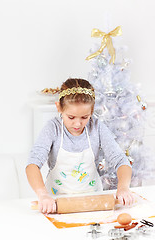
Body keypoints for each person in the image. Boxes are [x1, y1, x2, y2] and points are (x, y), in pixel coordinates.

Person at [26, 78, 135, 214]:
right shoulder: (52, 129)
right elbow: (32, 165)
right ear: (59, 108)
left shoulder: (97, 127)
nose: (77, 124)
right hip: (56, 202)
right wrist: (43, 195)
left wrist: (123, 188)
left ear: (92, 111)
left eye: (84, 117)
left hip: (93, 201)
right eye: (71, 117)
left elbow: (121, 160)